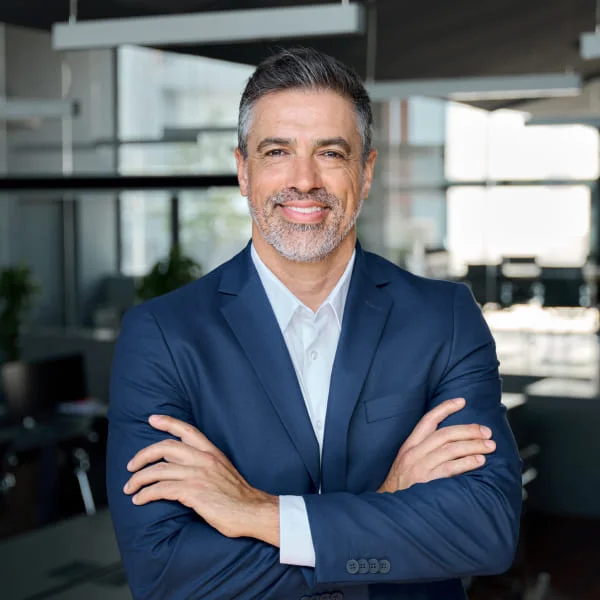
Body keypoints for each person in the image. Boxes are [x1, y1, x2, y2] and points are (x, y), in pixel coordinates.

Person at [107, 47, 522, 600]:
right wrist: (386, 500)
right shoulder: (162, 335)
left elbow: (485, 530)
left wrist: (259, 513)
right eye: (277, 151)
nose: (303, 181)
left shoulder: (443, 319)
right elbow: (164, 575)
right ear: (243, 170)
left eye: (330, 153)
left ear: (365, 172)